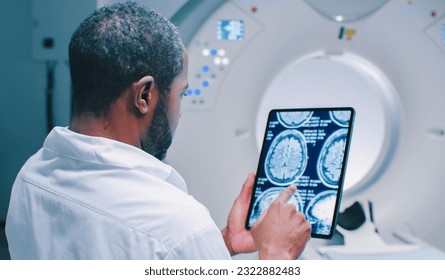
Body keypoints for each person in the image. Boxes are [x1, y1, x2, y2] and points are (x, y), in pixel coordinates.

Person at [6, 2, 311, 260]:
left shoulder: (30, 177)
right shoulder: (179, 226)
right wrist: (276, 254)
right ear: (145, 96)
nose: (180, 110)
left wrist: (223, 243)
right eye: (182, 94)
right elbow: (164, 241)